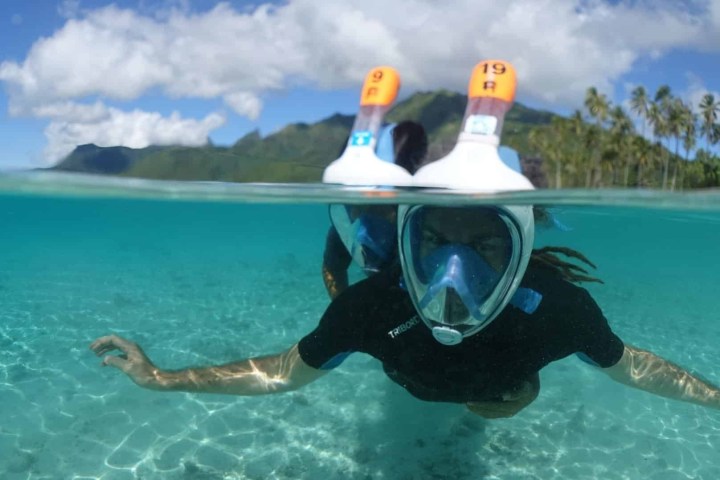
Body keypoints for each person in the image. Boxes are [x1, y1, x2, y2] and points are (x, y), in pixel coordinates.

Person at [90, 202, 720, 418]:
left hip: (501, 389)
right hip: (413, 382)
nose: (454, 273)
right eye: (435, 243)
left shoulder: (554, 307)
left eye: (484, 247)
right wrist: (160, 379)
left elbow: (630, 366)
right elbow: (281, 373)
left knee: (504, 403)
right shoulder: (373, 305)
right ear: (408, 243)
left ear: (519, 252)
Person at [322, 120, 428, 298]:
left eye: (378, 206)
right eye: (353, 205)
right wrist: (342, 308)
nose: (362, 221)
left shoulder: (430, 230)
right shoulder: (346, 231)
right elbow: (332, 268)